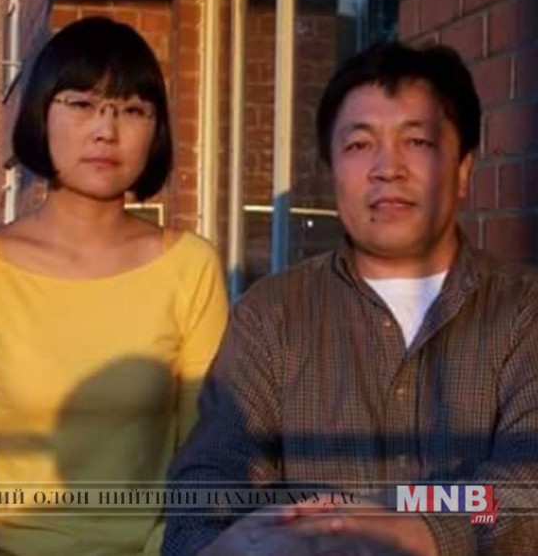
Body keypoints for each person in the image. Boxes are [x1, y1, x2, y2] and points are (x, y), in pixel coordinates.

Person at [162, 42, 538, 556]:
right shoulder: (273, 313)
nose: (388, 168)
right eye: (360, 145)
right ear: (332, 170)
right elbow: (211, 479)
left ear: (463, 170)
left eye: (418, 141)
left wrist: (411, 526)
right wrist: (225, 543)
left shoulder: (523, 310)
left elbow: (526, 486)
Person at [0, 16, 229, 556]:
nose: (106, 130)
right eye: (82, 104)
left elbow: (206, 456)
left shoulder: (190, 267)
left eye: (133, 110)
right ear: (41, 111)